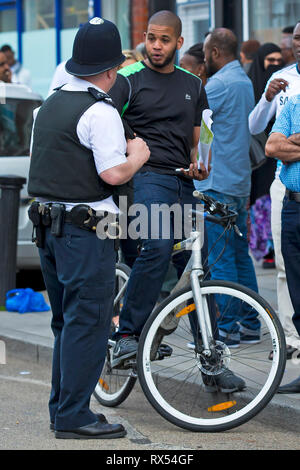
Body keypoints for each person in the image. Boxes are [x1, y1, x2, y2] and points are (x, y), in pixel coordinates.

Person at [110, 11, 245, 393]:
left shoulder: (192, 83)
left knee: (196, 269)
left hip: (183, 181)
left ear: (179, 43)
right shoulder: (128, 80)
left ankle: (212, 362)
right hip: (145, 177)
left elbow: (199, 132)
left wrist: (201, 163)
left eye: (164, 39)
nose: (156, 46)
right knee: (156, 246)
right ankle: (128, 334)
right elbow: (106, 125)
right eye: (151, 38)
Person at [27, 17, 150, 439]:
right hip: (86, 231)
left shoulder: (49, 104)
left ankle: (62, 410)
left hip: (47, 227)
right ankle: (75, 416)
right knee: (90, 321)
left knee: (66, 322)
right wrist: (139, 154)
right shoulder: (100, 111)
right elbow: (114, 174)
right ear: (113, 70)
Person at [195, 28, 260, 348]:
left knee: (221, 259)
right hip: (238, 181)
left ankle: (228, 328)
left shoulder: (218, 85)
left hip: (218, 182)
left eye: (206, 52)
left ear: (216, 53)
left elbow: (200, 126)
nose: (204, 58)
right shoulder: (244, 81)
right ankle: (250, 322)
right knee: (239, 255)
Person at [249, 22, 300, 359]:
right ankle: (292, 340)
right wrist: (268, 98)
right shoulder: (282, 81)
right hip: (286, 183)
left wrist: (288, 143)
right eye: (297, 37)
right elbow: (260, 132)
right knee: (285, 266)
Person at [265, 94, 300, 393]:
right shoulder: (294, 104)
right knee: (298, 294)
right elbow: (272, 147)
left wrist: (293, 145)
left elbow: (283, 147)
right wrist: (285, 145)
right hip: (293, 207)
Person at [247, 43, 283, 269]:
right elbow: (252, 123)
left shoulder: (285, 85)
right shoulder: (253, 85)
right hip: (259, 156)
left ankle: (272, 248)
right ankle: (265, 249)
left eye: (279, 60)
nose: (275, 64)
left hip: (279, 158)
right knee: (261, 202)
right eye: (270, 60)